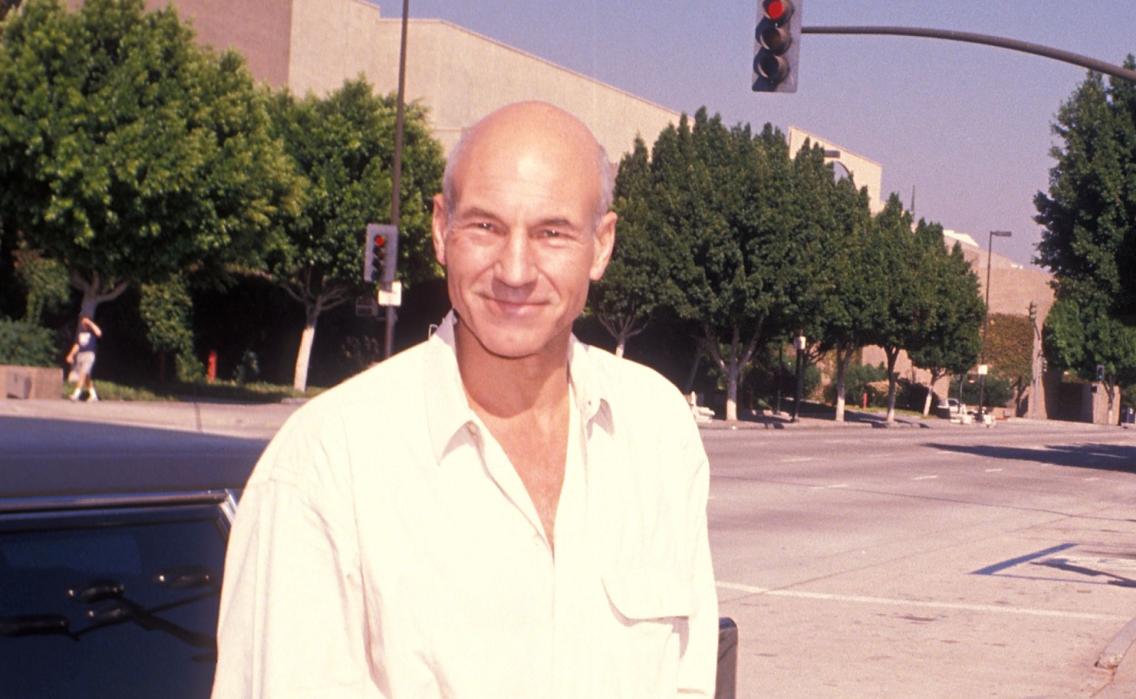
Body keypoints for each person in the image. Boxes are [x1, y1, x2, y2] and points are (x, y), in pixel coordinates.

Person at [214, 102, 718, 697]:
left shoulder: (657, 431)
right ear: (440, 229)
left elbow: (688, 678)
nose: (515, 269)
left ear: (601, 245)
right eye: (485, 226)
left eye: (552, 233)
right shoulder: (325, 464)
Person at [65, 315, 102, 401]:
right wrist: (70, 355)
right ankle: (93, 396)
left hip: (89, 355)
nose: (83, 324)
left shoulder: (92, 331)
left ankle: (76, 395)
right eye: (83, 322)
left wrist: (90, 322)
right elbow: (77, 345)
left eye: (85, 322)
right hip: (80, 355)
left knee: (82, 374)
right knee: (86, 377)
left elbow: (99, 333)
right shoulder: (80, 333)